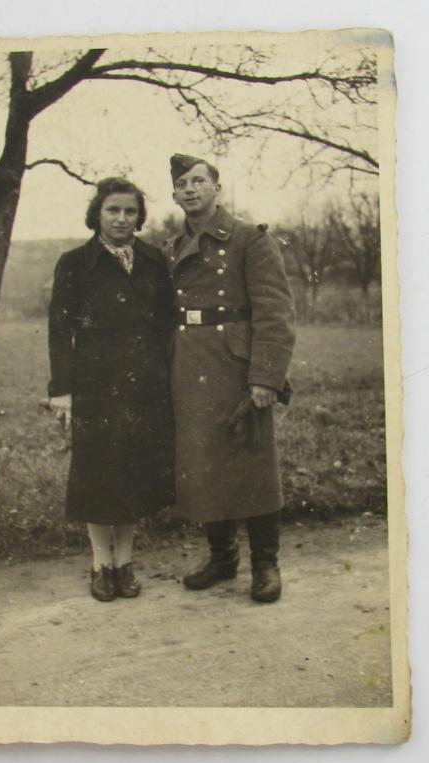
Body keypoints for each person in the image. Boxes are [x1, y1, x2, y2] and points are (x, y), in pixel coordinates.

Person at [164, 154, 296, 603]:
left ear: (216, 189)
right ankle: (222, 559)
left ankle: (265, 565)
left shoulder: (250, 239)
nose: (190, 189)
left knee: (253, 464)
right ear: (174, 194)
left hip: (238, 366)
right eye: (182, 184)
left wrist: (266, 377)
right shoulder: (172, 247)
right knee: (204, 464)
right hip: (189, 365)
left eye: (199, 181)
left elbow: (275, 312)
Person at [47, 177, 175, 602]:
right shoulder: (74, 263)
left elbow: (166, 326)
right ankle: (101, 563)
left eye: (130, 211)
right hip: (95, 387)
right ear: (97, 214)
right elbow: (59, 331)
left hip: (144, 386)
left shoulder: (154, 260)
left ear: (139, 217)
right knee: (99, 475)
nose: (122, 218)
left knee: (133, 473)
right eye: (113, 210)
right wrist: (62, 390)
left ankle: (125, 563)